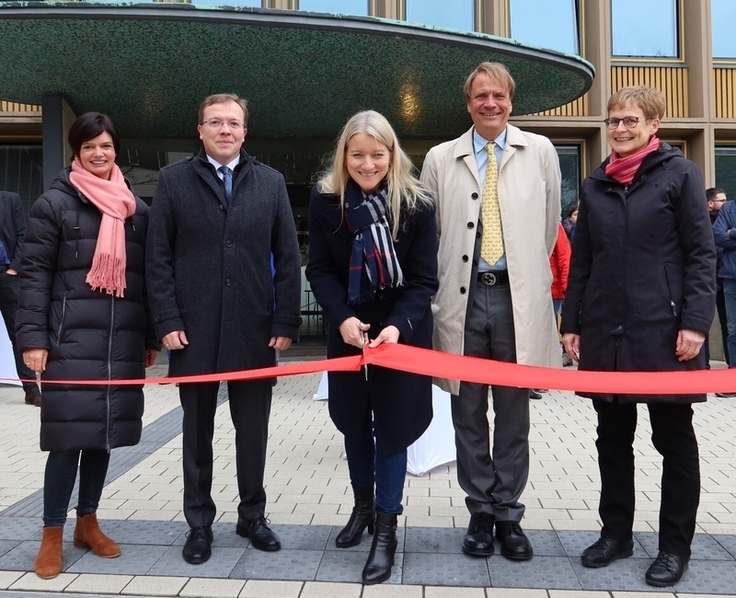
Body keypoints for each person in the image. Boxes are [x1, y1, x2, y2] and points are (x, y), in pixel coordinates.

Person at [561, 86, 715, 587]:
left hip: (666, 331)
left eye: (631, 120)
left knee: (674, 440)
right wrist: (573, 323)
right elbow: (582, 259)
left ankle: (675, 547)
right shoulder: (595, 184)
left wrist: (695, 321)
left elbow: (700, 254)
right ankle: (616, 534)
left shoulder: (681, 175)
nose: (620, 129)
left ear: (654, 125)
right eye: (613, 121)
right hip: (607, 332)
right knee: (612, 440)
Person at [146, 93, 301, 565]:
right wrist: (166, 321)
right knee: (197, 433)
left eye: (233, 123)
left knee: (252, 431)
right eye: (215, 122)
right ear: (200, 130)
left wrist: (286, 319)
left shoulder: (270, 183)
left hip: (254, 329)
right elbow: (157, 259)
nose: (225, 130)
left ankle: (252, 515)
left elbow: (289, 258)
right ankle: (199, 523)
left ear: (245, 132)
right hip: (192, 332)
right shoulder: (173, 182)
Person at [421, 62, 561, 561]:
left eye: (498, 95)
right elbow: (431, 233)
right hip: (461, 300)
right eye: (480, 96)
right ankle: (479, 510)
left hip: (514, 297)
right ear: (468, 103)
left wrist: (520, 278)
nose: (490, 104)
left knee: (514, 411)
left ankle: (509, 514)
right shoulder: (441, 157)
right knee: (467, 410)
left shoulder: (539, 151)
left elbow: (547, 230)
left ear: (510, 100)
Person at [15, 112, 159, 579]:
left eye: (107, 146)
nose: (100, 154)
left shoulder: (136, 210)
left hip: (121, 342)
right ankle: (51, 532)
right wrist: (33, 339)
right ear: (76, 152)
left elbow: (150, 280)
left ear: (118, 151)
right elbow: (32, 276)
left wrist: (152, 336)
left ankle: (88, 522)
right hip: (69, 342)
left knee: (104, 435)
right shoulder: (53, 205)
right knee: (66, 439)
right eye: (90, 146)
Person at [306, 110, 438, 585]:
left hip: (399, 334)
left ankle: (386, 528)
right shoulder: (327, 202)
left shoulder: (417, 203)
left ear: (392, 154)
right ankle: (362, 508)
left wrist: (399, 326)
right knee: (354, 423)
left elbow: (424, 280)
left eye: (377, 155)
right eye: (357, 155)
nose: (367, 164)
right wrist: (341, 317)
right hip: (349, 331)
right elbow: (319, 269)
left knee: (393, 427)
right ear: (344, 155)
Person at [0, 190, 41, 405]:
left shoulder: (11, 199)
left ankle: (31, 389)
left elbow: (24, 236)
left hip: (6, 275)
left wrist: (15, 268)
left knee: (18, 334)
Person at [705, 188, 730, 376]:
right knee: (701, 323)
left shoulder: (728, 217)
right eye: (721, 200)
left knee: (729, 324)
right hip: (706, 279)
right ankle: (702, 365)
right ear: (710, 203)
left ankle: (731, 365)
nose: (725, 203)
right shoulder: (701, 222)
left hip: (724, 277)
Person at [550, 222, 573, 367]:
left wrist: (566, 290)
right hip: (535, 289)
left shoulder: (555, 227)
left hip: (552, 290)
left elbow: (564, 258)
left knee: (548, 333)